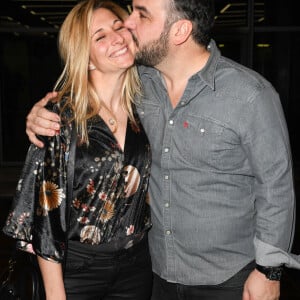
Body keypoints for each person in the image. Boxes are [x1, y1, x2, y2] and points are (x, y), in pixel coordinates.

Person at [25, 0, 300, 299]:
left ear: (180, 30)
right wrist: (39, 116)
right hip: (155, 274)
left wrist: (269, 271)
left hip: (229, 278)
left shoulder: (250, 95)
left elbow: (277, 187)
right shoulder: (139, 84)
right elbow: (86, 98)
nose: (129, 22)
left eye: (142, 14)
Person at [3, 1, 153, 299]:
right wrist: (55, 293)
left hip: (136, 266)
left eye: (118, 26)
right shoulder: (61, 117)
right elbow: (46, 217)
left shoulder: (147, 108)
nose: (117, 37)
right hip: (77, 271)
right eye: (100, 37)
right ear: (86, 59)